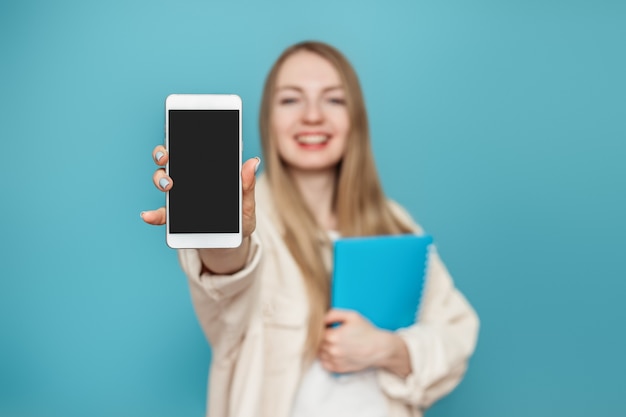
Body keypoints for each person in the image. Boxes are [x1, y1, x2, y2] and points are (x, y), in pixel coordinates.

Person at [141, 41, 479, 417]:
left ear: (356, 117)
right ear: (267, 119)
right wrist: (223, 231)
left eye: (333, 100)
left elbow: (457, 334)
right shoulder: (249, 218)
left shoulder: (394, 222)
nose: (312, 116)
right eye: (291, 100)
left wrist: (387, 348)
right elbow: (227, 273)